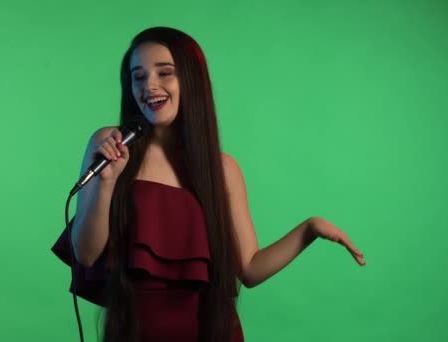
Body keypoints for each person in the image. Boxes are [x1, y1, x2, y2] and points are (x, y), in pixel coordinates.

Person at [52, 26, 366, 342]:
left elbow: (250, 269)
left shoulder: (223, 169)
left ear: (191, 80)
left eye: (165, 73)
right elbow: (87, 254)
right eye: (138, 76)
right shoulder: (112, 145)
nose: (150, 86)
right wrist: (107, 182)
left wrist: (309, 230)